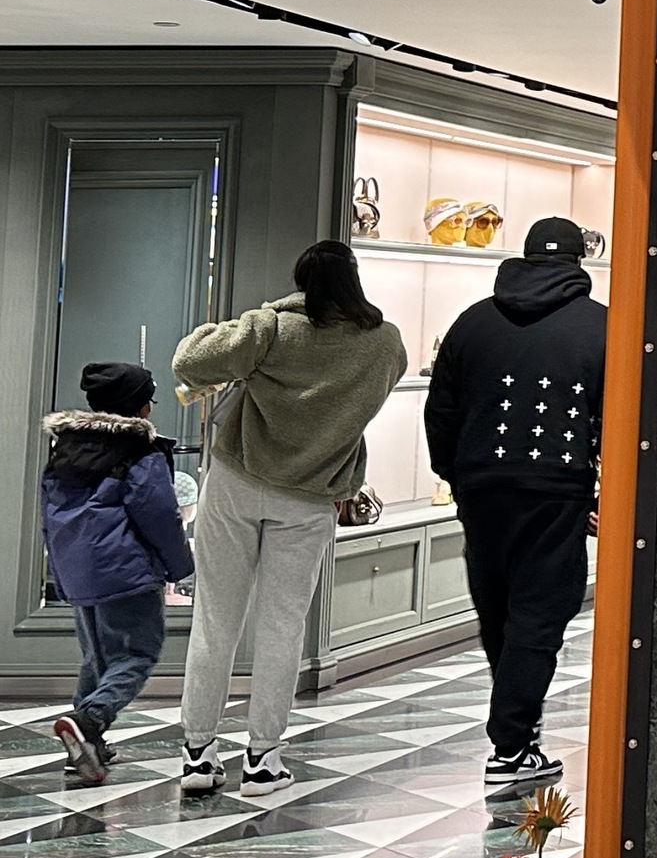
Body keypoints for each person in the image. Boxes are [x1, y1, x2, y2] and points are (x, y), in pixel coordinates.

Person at [171, 240, 406, 798]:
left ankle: (199, 755)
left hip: (236, 483)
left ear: (301, 282)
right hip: (310, 497)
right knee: (282, 627)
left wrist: (270, 314)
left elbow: (189, 359)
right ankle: (262, 758)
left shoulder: (270, 327)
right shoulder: (384, 343)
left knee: (215, 620)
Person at [425, 216, 604, 792]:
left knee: (497, 606)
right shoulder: (603, 327)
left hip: (480, 484)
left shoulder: (472, 323)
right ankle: (509, 742)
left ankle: (517, 732)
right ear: (579, 262)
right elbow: (621, 420)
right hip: (556, 486)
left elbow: (441, 410)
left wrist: (454, 473)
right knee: (541, 610)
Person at [39, 360, 194, 786]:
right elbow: (160, 515)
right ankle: (90, 721)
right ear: (141, 407)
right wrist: (180, 565)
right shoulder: (139, 451)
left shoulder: (67, 446)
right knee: (136, 654)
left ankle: (86, 747)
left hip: (78, 571)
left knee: (98, 656)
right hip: (125, 570)